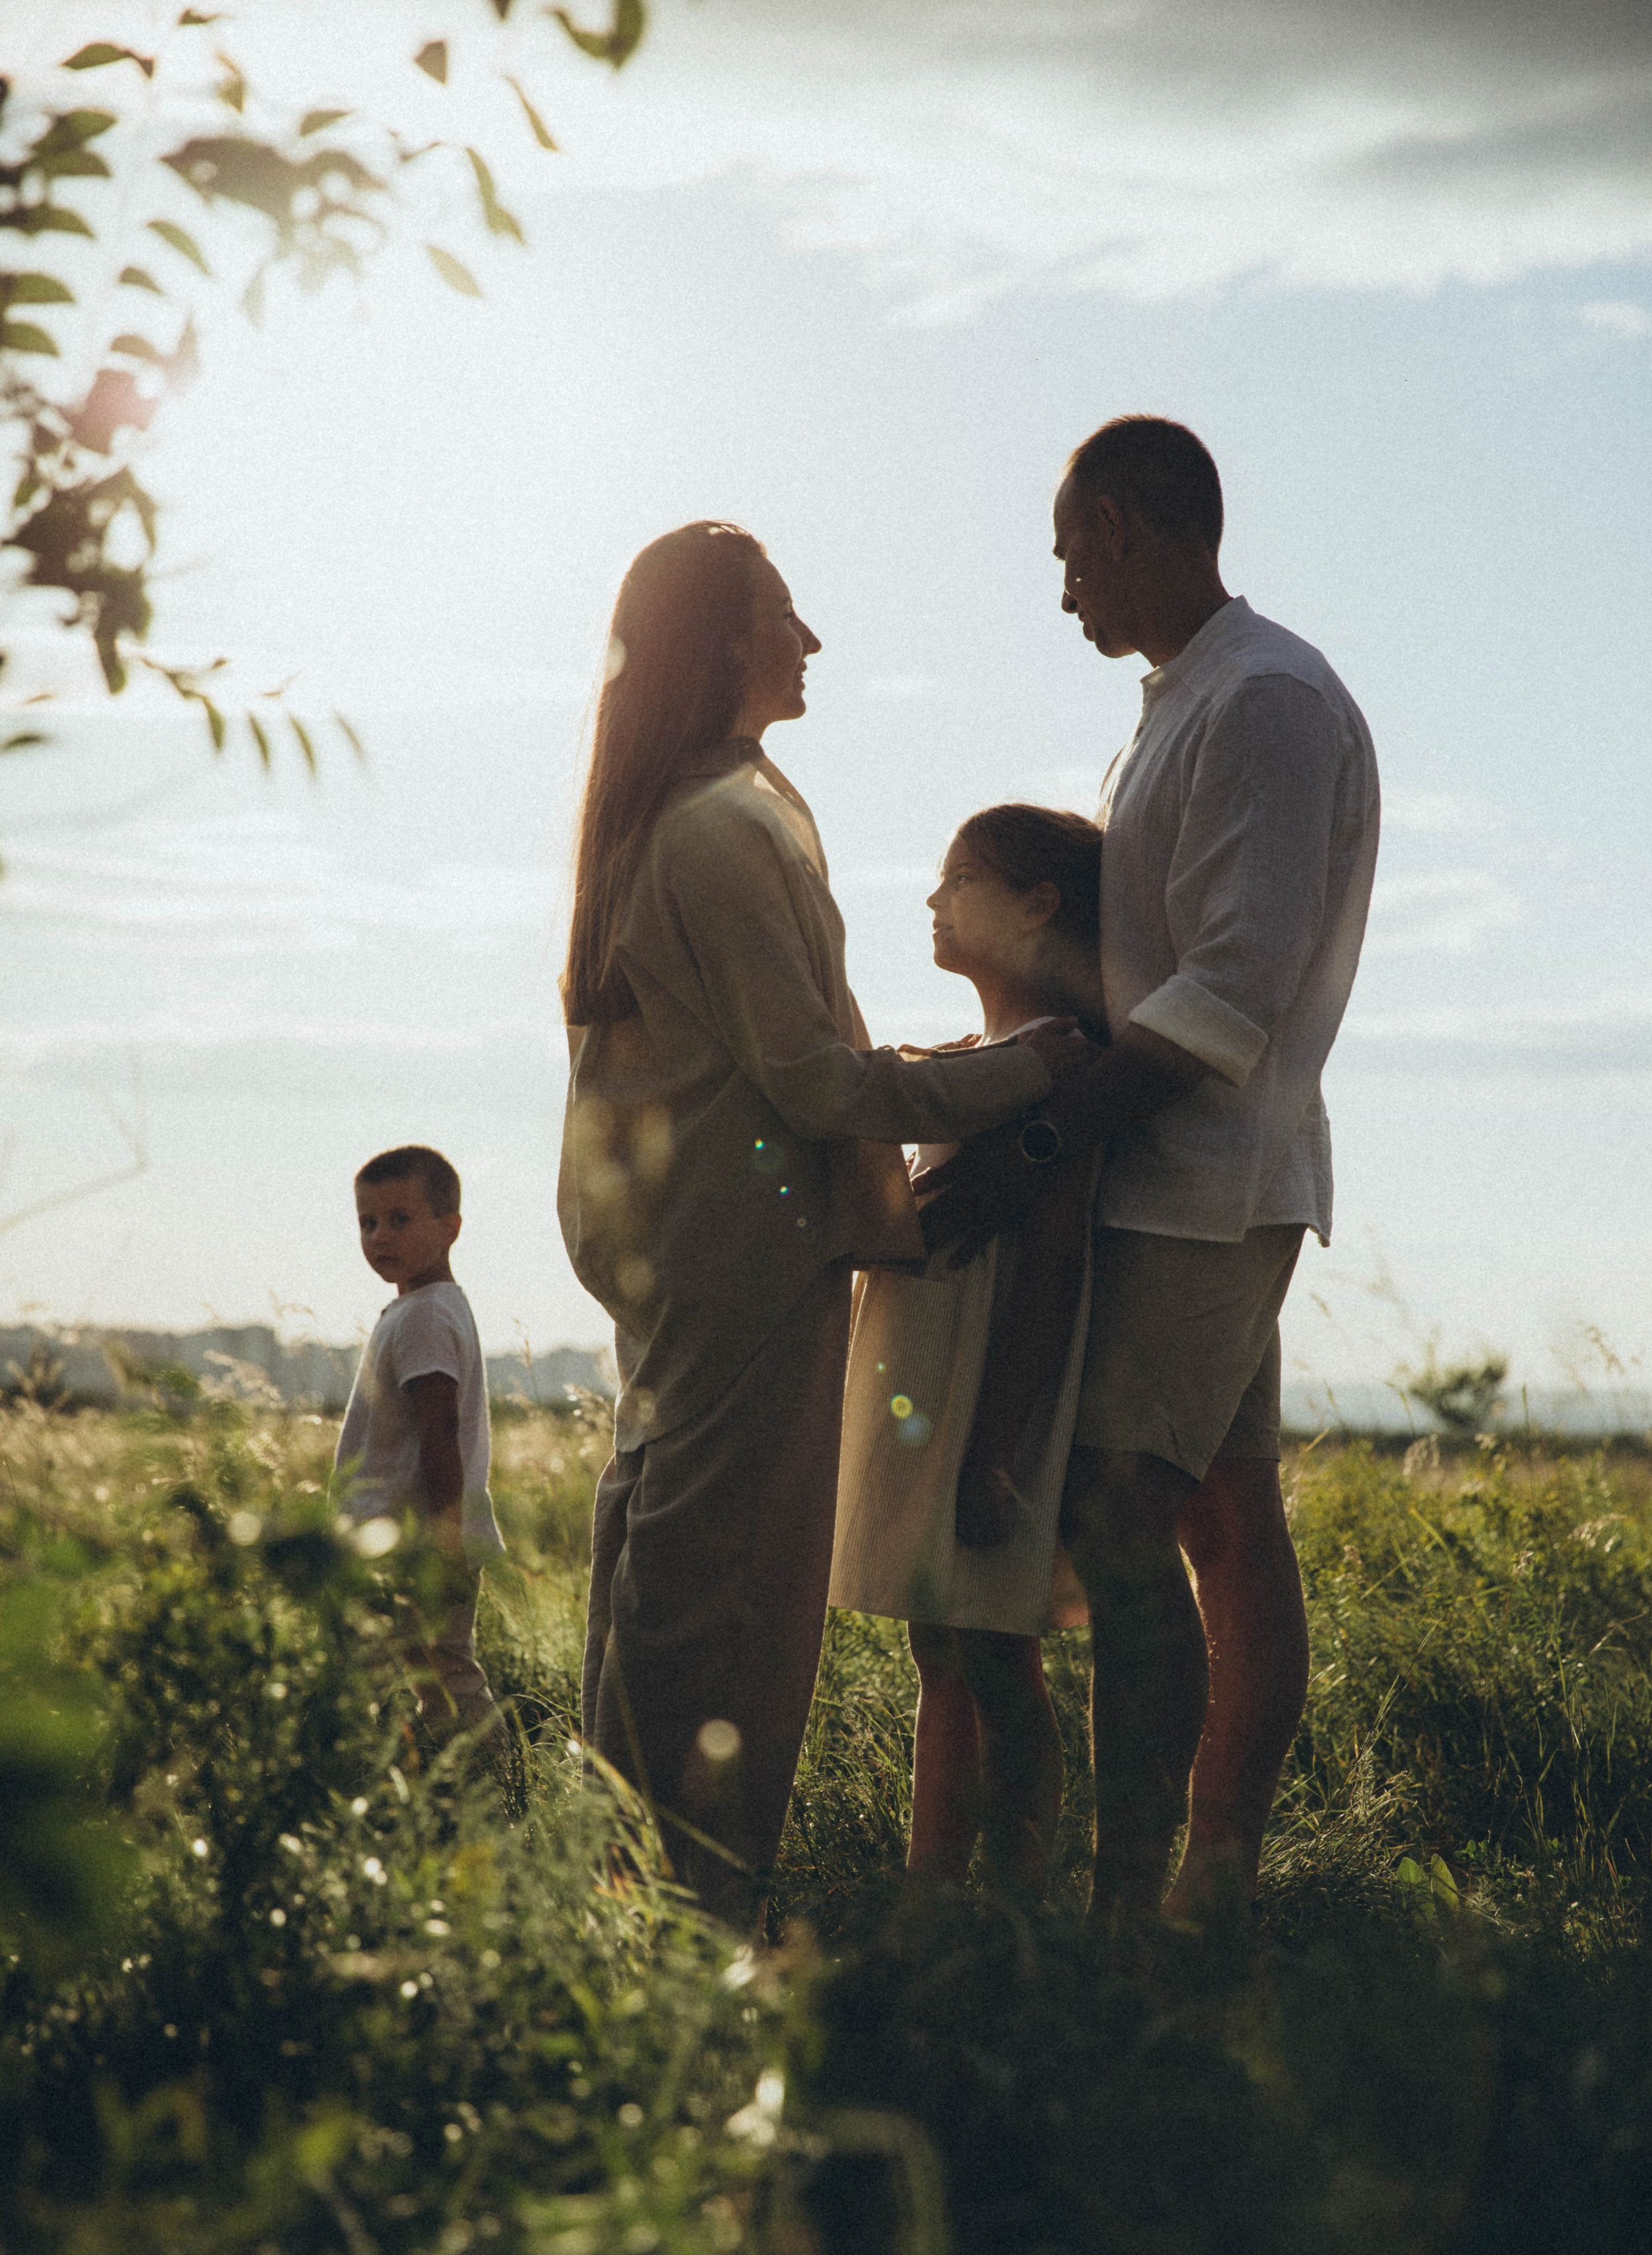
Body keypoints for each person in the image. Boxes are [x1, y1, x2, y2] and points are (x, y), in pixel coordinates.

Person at [558, 521, 1092, 1928]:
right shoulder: (722, 825)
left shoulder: (693, 811)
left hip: (684, 1249)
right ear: (722, 641)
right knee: (727, 1602)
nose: (809, 641)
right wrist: (1027, 1073)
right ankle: (685, 1916)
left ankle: (629, 1900)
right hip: (739, 1254)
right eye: (783, 615)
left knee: (666, 1572)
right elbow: (812, 1079)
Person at [919, 416, 1379, 1929]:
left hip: (1206, 1183)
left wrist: (1042, 1140)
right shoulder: (1176, 709)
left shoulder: (1262, 699)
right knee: (1224, 1525)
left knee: (1122, 1526)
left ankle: (1136, 1908)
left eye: (1068, 554)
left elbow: (1232, 985)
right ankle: (1205, 1882)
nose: (1062, 588)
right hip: (1162, 1174)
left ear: (1119, 526)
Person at [830, 803, 1106, 1896]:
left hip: (983, 1401)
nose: (934, 899)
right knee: (940, 1647)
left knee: (994, 1650)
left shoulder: (1060, 1062)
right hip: (927, 1391)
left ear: (1038, 906)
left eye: (961, 879)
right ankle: (935, 1886)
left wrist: (998, 1447)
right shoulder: (969, 1062)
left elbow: (1053, 1270)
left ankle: (1016, 1891)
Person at [335, 1144, 510, 1765]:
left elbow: (440, 1431)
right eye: (368, 1222)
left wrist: (445, 1538)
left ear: (449, 1227)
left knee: (446, 1675)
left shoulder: (426, 1316)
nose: (380, 1236)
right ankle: (447, 1780)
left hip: (420, 1543)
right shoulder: (422, 1307)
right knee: (427, 1677)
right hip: (403, 1541)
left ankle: (495, 1783)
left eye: (400, 1219)